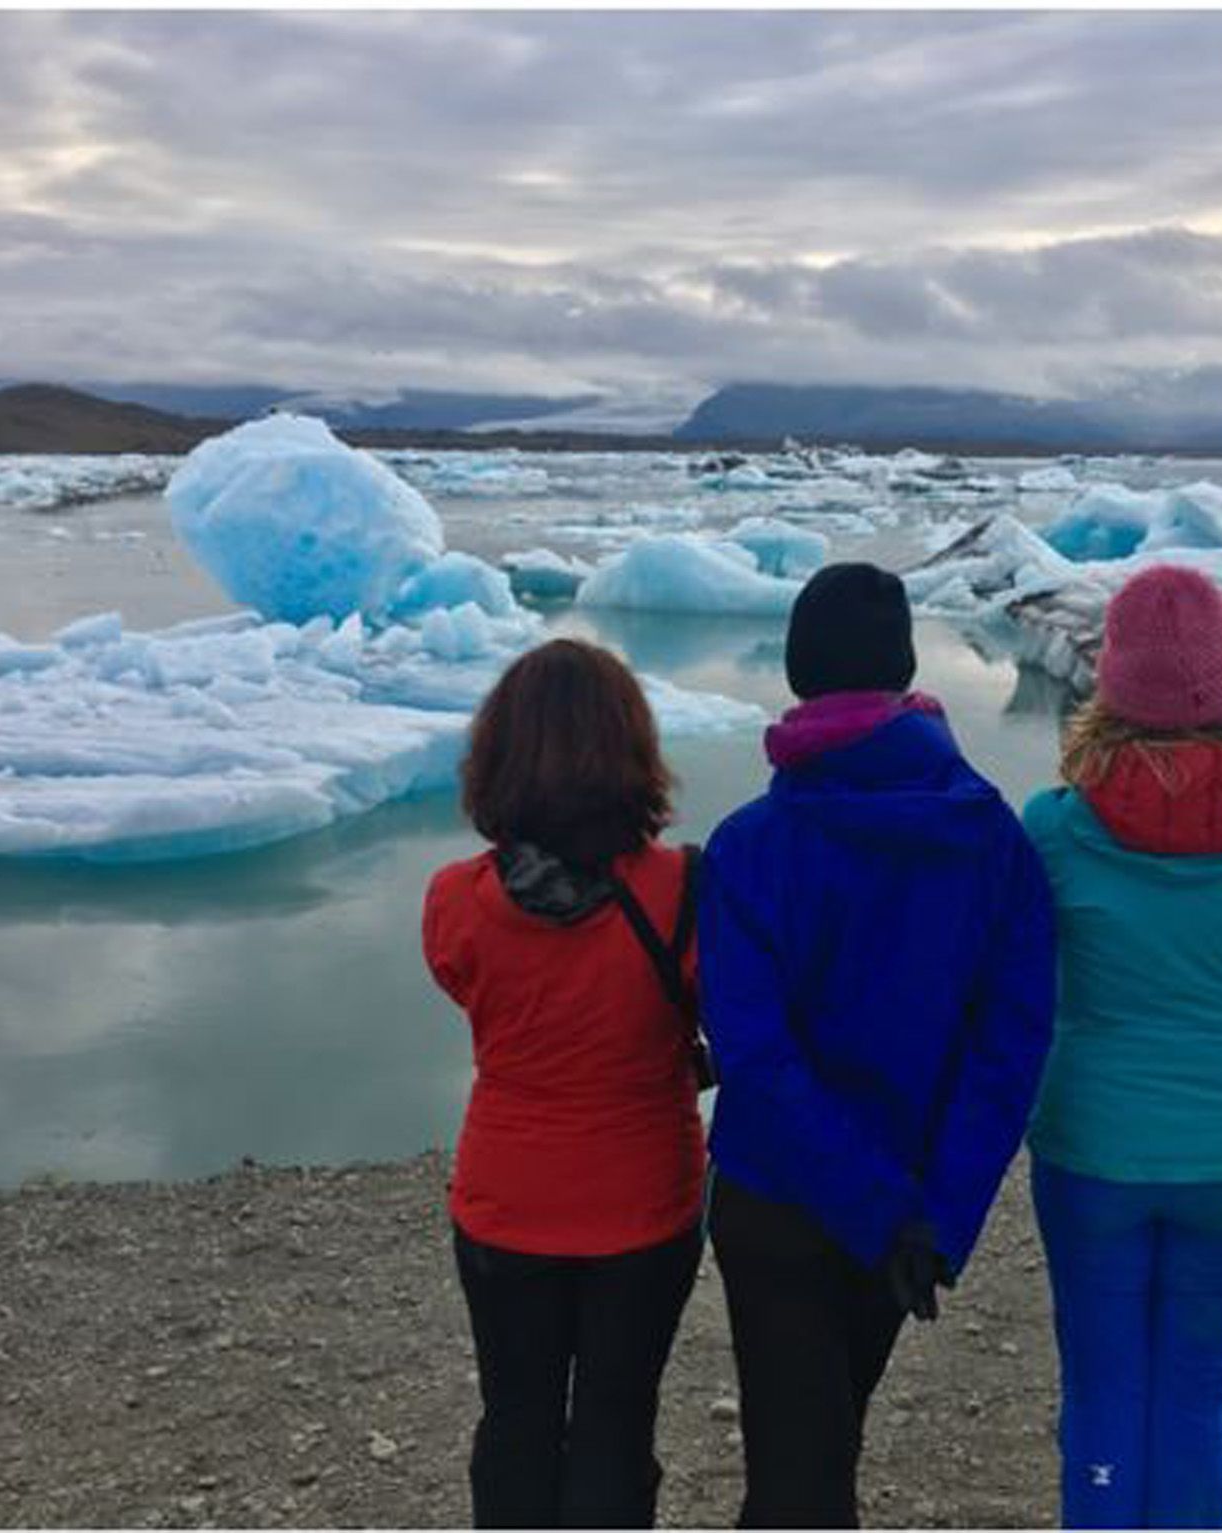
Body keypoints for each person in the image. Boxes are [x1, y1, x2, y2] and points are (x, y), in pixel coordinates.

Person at [697, 562, 1057, 1528]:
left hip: (776, 1200)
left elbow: (754, 1053)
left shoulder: (747, 847)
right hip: (906, 1208)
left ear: (799, 671)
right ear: (902, 671)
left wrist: (889, 1208)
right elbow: (1011, 1044)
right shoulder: (994, 841)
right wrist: (934, 1211)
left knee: (795, 1470)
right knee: (828, 1446)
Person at [1023, 565, 1222, 1529]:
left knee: (1104, 1392)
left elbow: (1024, 982)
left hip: (1092, 1146)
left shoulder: (1053, 832)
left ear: (1108, 683)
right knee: (1194, 1393)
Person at [422, 638, 706, 1529]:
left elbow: (468, 985)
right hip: (644, 1202)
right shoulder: (684, 888)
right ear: (632, 750)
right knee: (617, 1427)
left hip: (506, 1199)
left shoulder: (454, 899)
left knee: (516, 1421)